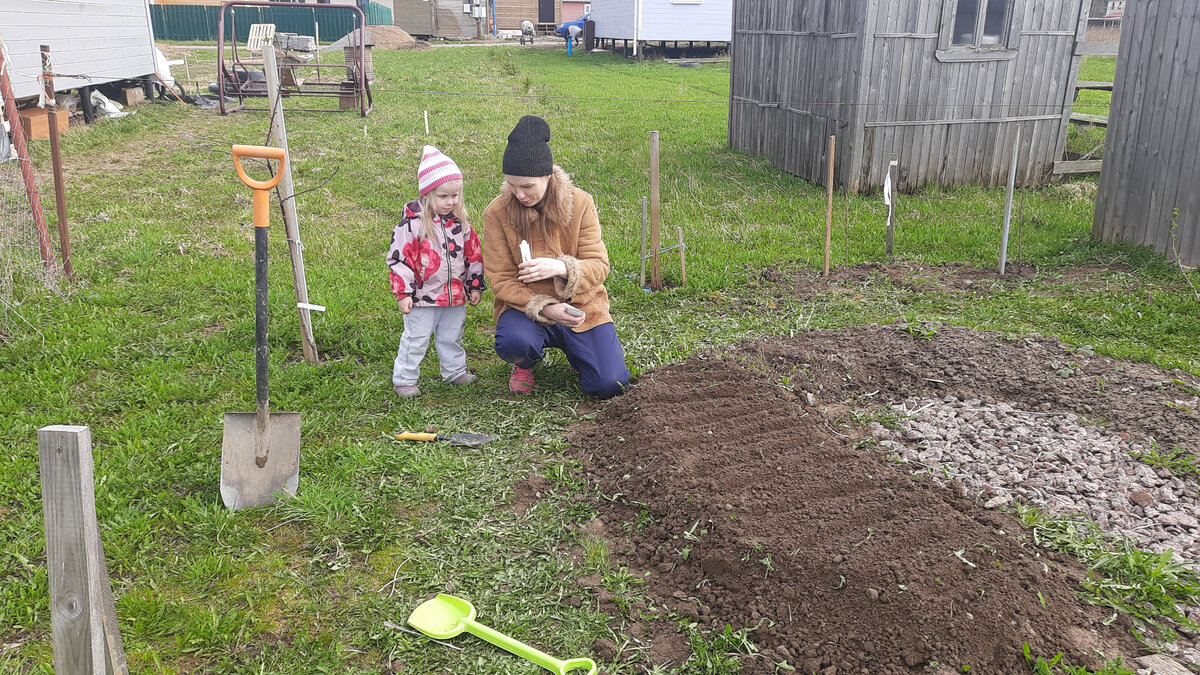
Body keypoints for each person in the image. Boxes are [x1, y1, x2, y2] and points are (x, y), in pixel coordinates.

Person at [482, 115, 630, 399]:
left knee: (610, 385)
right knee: (514, 342)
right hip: (525, 309)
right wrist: (544, 307)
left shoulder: (581, 203)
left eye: (527, 186)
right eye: (512, 185)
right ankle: (525, 363)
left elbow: (599, 266)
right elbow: (500, 278)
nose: (519, 194)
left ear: (547, 176)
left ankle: (580, 352)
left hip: (582, 308)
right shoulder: (497, 213)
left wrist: (561, 267)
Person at [386, 145, 485, 398]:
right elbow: (400, 260)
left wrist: (474, 284)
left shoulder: (461, 225)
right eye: (443, 196)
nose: (450, 201)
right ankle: (405, 378)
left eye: (455, 196)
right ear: (427, 194)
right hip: (422, 297)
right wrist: (404, 292)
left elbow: (473, 253)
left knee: (452, 336)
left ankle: (454, 371)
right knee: (416, 339)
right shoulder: (412, 226)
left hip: (454, 296)